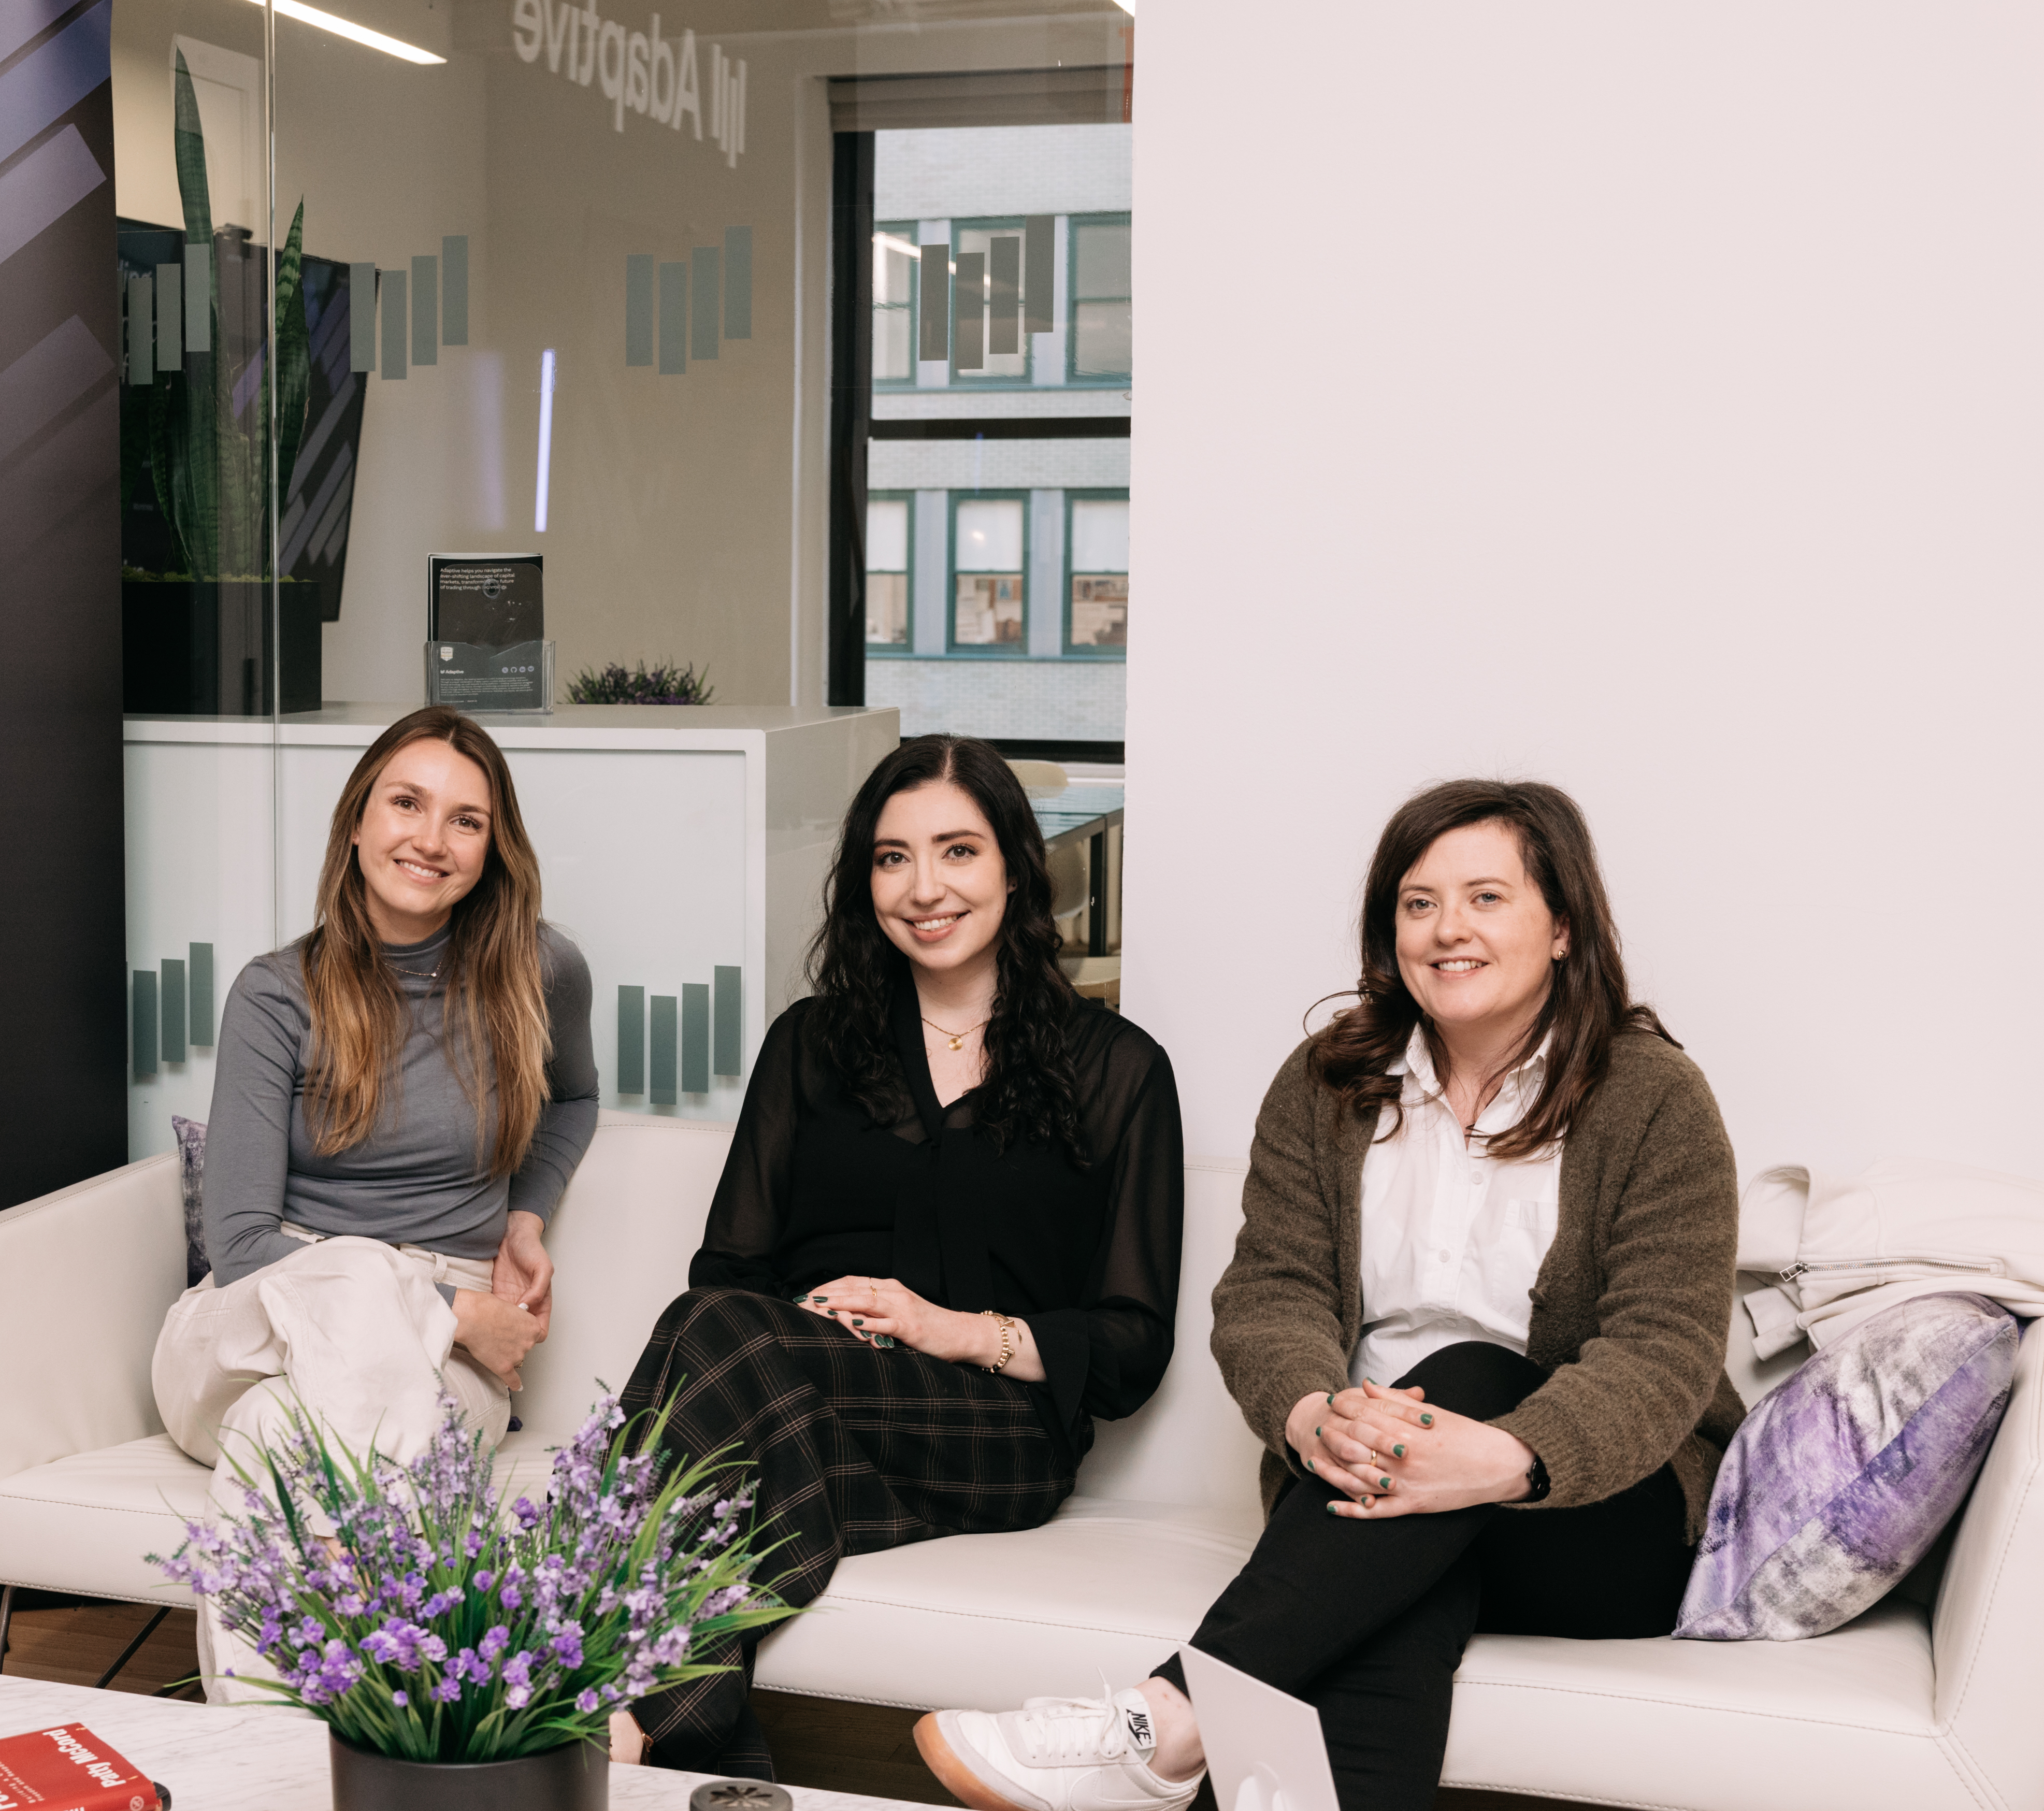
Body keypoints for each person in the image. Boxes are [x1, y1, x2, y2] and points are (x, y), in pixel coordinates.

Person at [917, 779, 1743, 1811]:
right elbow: (1271, 1295)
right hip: (1358, 1495)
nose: (1447, 930)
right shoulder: (1325, 1083)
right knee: (1389, 1602)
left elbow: (1666, 1351)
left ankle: (1164, 1725)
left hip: (1594, 1513)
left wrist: (1498, 1455)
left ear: (1565, 924)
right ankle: (1187, 1752)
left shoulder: (1654, 1097)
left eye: (1486, 898)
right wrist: (1313, 1418)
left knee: (1469, 1374)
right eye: (1417, 902)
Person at [616, 735, 1185, 1779]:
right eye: (891, 858)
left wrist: (948, 1329)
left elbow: (1134, 1347)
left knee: (717, 1349)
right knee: (729, 1350)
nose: (924, 887)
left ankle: (617, 1702)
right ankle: (685, 1733)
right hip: (803, 1405)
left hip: (992, 1434)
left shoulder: (1119, 1071)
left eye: (958, 852)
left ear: (1018, 867)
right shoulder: (810, 1045)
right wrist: (817, 1337)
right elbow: (730, 1275)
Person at [150, 707, 597, 1675]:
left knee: (280, 1433)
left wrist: (524, 1214)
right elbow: (237, 1237)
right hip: (260, 1313)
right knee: (349, 1274)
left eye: (466, 820)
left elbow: (575, 1100)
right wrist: (454, 1312)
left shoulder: (540, 972)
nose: (430, 840)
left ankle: (269, 1761)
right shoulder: (277, 995)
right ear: (357, 822)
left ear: (493, 849)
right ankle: (424, 1703)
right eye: (406, 803)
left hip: (428, 1366)